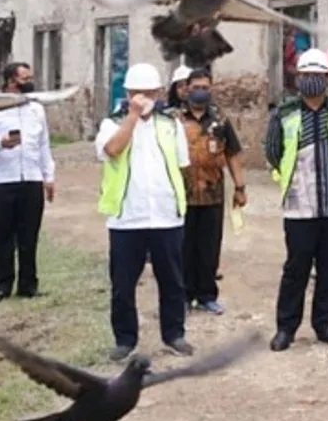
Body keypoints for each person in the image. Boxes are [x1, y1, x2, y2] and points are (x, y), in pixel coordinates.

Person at [263, 48, 328, 351]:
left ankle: (325, 324)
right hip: (299, 205)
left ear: (327, 78)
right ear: (298, 78)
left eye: (318, 75)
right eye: (306, 75)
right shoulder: (284, 113)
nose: (312, 81)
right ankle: (286, 328)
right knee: (296, 269)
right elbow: (273, 151)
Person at [95, 62, 194, 360]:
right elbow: (112, 151)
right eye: (137, 93)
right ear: (127, 93)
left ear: (160, 93)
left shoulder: (171, 124)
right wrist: (133, 117)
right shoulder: (112, 123)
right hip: (127, 217)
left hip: (166, 215)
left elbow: (182, 165)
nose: (144, 98)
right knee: (123, 285)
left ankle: (174, 334)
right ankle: (125, 339)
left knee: (173, 281)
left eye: (149, 93)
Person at [0, 61, 56, 303]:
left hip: (30, 179)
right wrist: (0, 144)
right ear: (11, 80)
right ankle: (1, 286)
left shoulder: (36, 108)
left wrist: (48, 176)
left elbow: (44, 144)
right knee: (0, 237)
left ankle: (28, 285)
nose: (30, 82)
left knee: (29, 235)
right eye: (25, 78)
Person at [174, 67, 246, 315]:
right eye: (196, 88)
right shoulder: (175, 120)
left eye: (205, 87)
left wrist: (240, 187)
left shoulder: (221, 121)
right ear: (186, 89)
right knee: (182, 248)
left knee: (208, 248)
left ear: (211, 89)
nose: (200, 92)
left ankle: (206, 295)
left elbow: (233, 154)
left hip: (213, 195)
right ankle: (182, 296)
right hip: (181, 196)